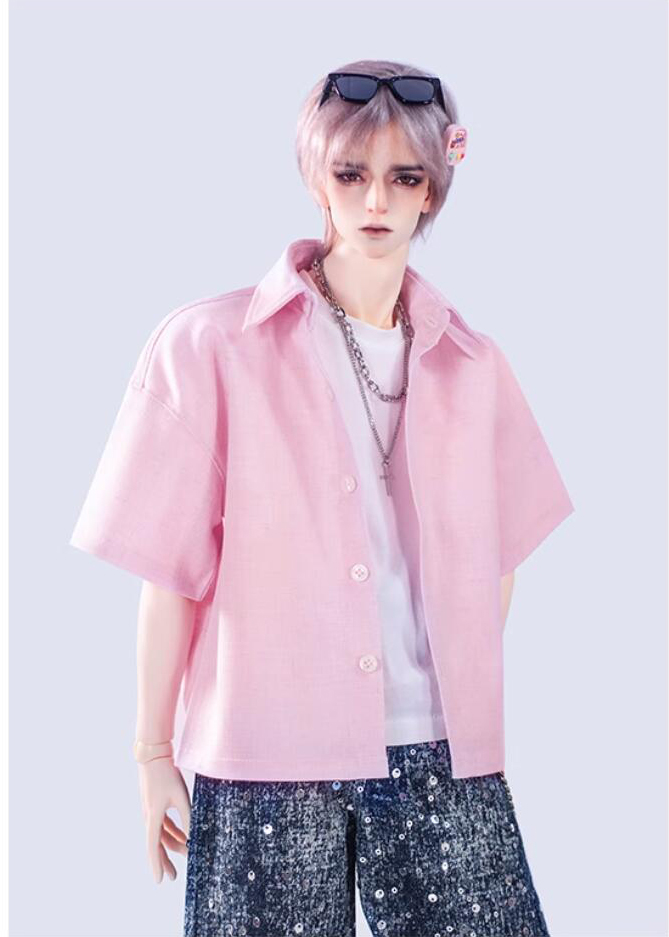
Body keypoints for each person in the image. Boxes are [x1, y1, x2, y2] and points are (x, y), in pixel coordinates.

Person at [70, 59, 574, 937]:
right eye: (350, 173)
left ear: (432, 190)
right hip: (264, 756)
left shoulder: (474, 365)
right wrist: (152, 751)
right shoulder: (210, 346)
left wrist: (447, 676)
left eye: (403, 177)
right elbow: (172, 573)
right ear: (316, 178)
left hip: (443, 752)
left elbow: (501, 558)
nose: (374, 199)